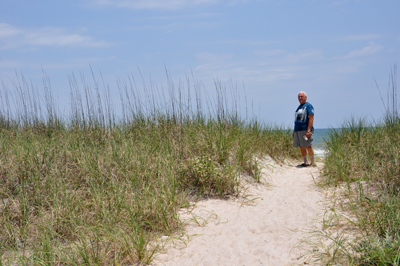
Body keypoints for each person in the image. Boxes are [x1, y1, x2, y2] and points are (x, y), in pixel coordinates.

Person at [293, 91, 315, 166]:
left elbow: (311, 118)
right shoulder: (299, 107)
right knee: (301, 146)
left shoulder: (308, 106)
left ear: (305, 97)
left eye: (301, 96)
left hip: (305, 129)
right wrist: (294, 131)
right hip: (298, 130)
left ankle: (313, 162)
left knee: (308, 146)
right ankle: (306, 162)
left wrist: (308, 130)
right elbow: (296, 120)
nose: (300, 98)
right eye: (299, 97)